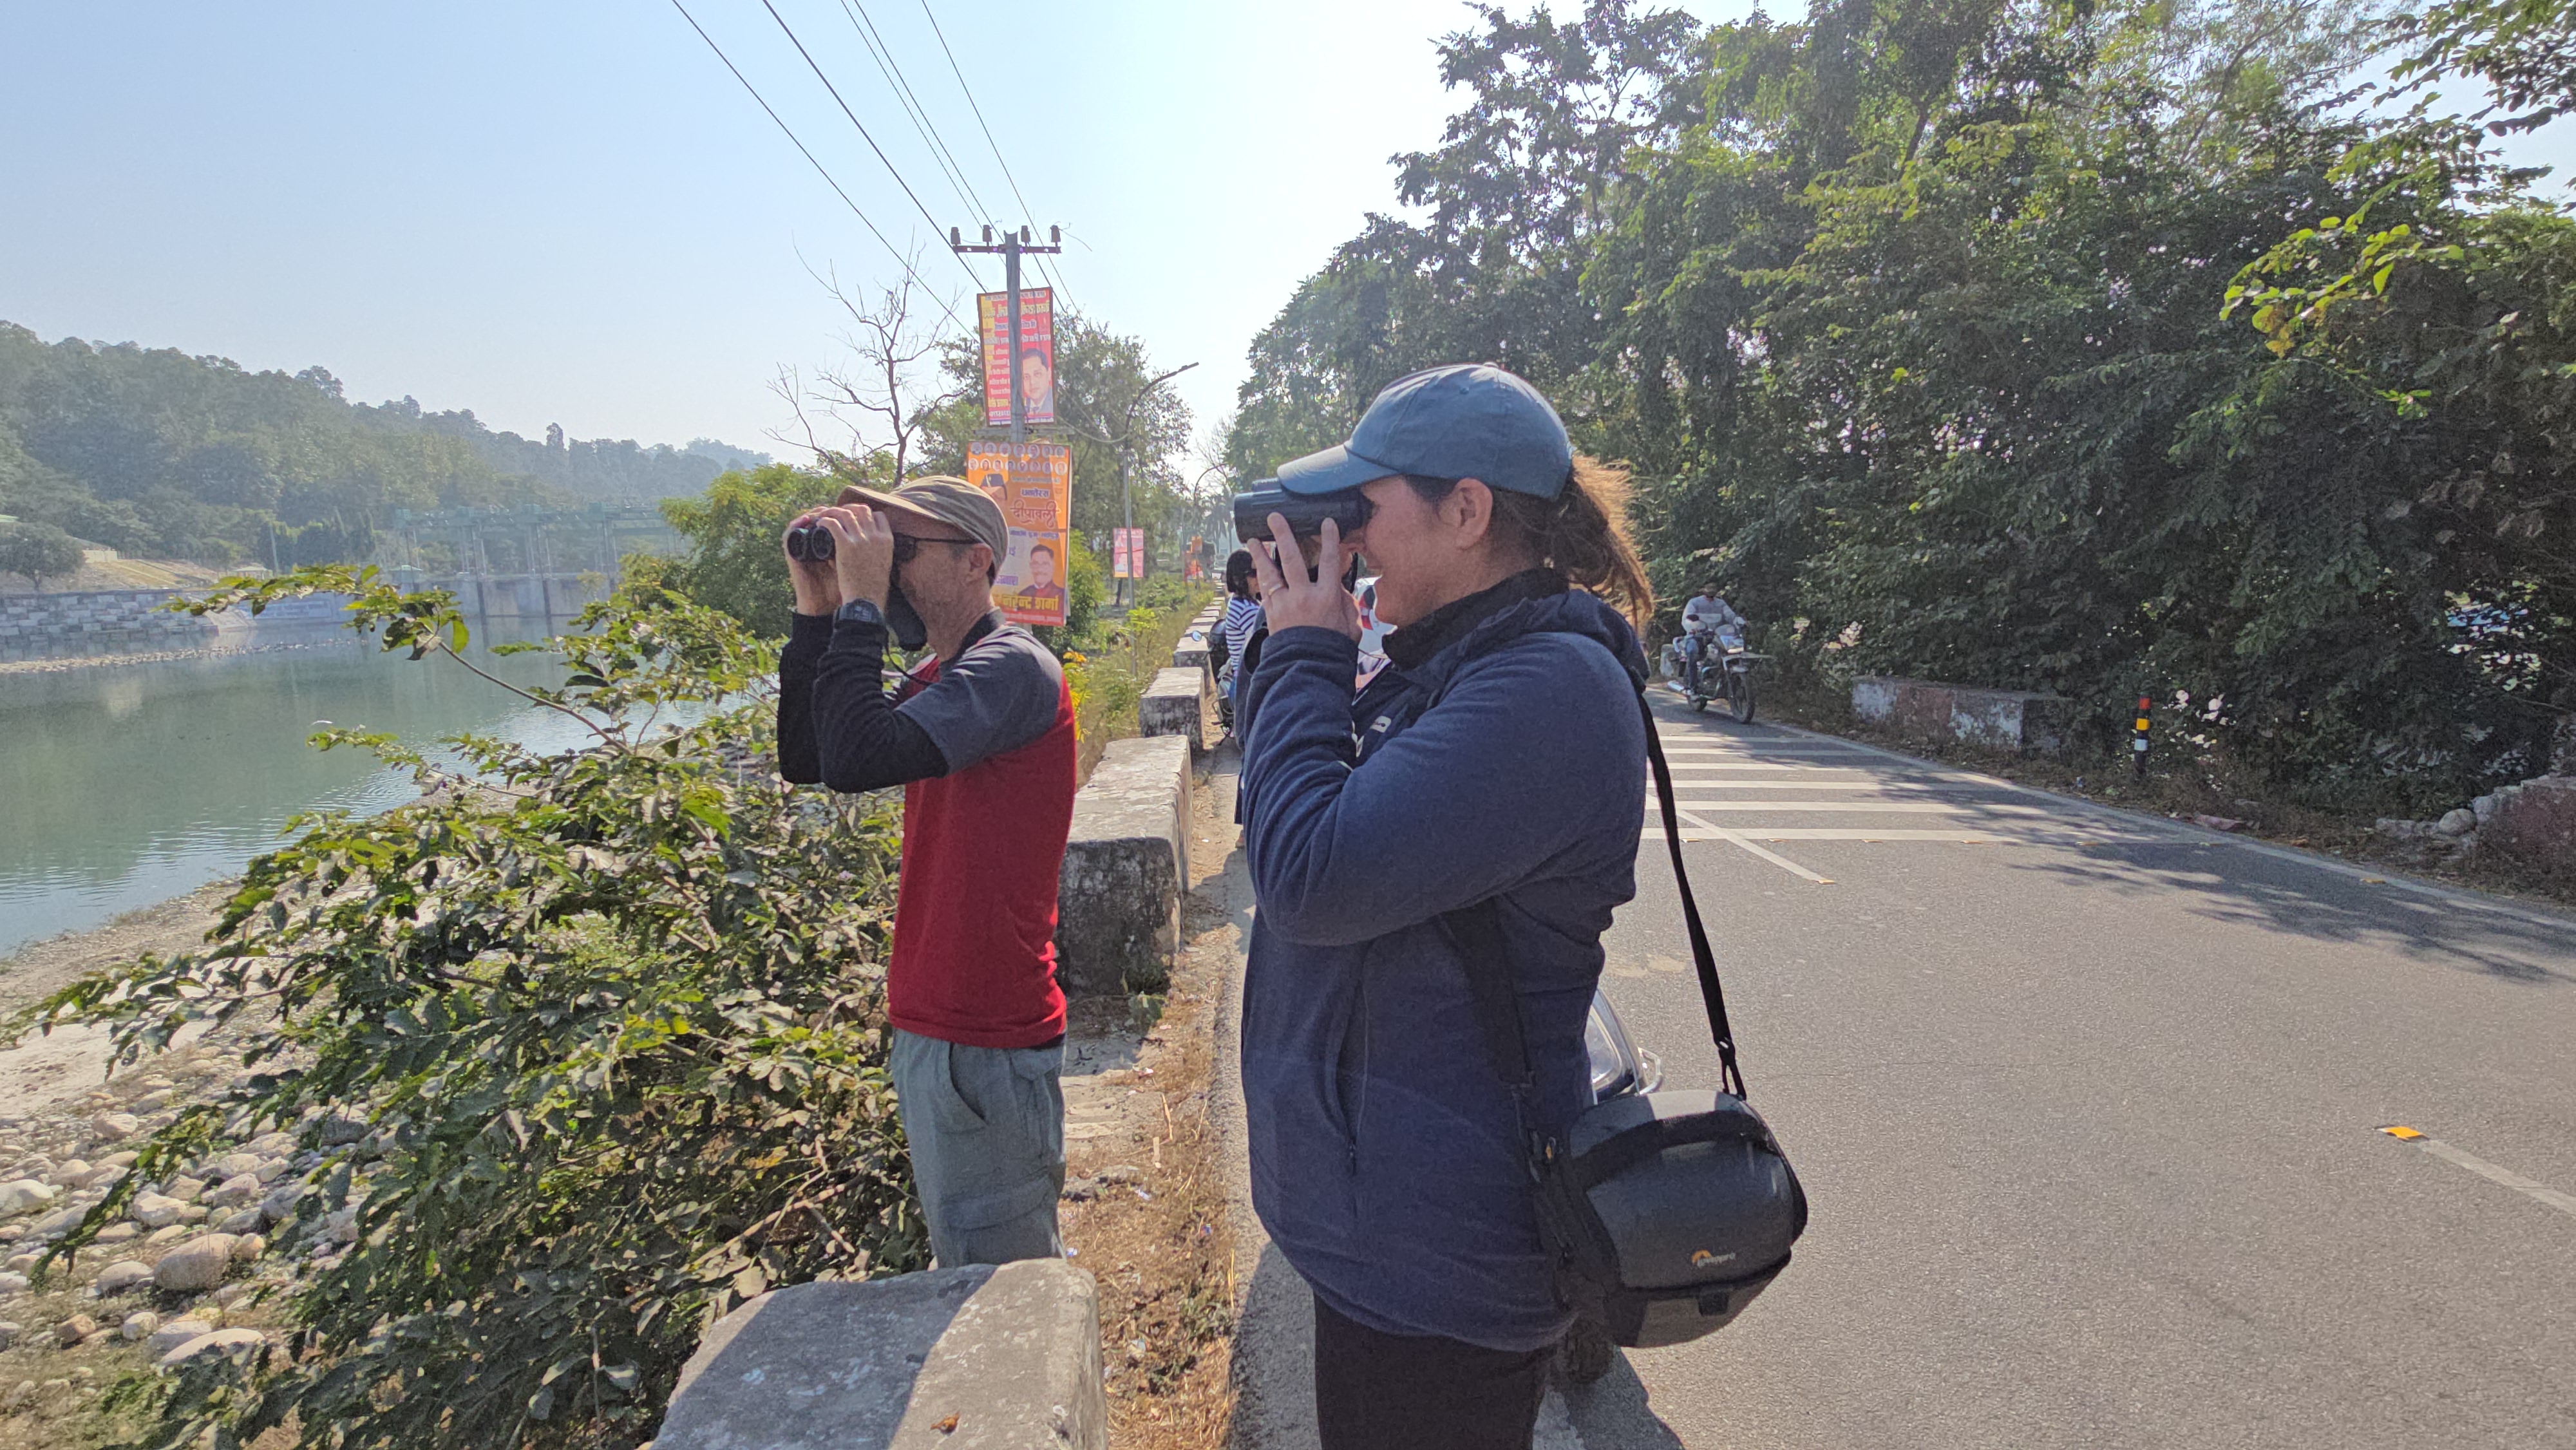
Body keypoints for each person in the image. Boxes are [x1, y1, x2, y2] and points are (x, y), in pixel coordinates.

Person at [1235, 364, 1654, 1449]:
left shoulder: (1546, 691)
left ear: (1467, 511)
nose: (1349, 533)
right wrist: (1301, 651)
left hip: (1441, 1260)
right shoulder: (1451, 667)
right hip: (1385, 1228)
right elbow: (1291, 803)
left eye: (1366, 505)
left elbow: (1309, 876)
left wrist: (1307, 650)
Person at [774, 476, 1079, 1268]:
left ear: (977, 561)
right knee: (968, 1268)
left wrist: (862, 609)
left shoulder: (1014, 668)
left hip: (982, 1038)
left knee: (1002, 1294)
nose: (886, 564)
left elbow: (856, 760)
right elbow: (808, 756)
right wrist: (817, 608)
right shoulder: (943, 677)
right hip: (938, 1030)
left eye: (903, 548)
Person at [1213, 548, 1263, 730]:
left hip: (1241, 683)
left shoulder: (1240, 602)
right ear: (1239, 579)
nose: (1259, 578)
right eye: (1253, 573)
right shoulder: (1247, 611)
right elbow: (1268, 644)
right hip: (1248, 688)